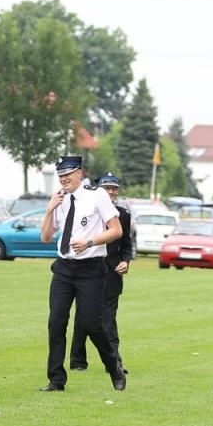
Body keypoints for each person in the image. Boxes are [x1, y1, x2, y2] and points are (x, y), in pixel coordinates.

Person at [38, 155, 126, 392]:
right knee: (56, 322)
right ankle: (56, 379)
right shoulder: (60, 200)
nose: (63, 179)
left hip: (91, 269)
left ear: (79, 173)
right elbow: (46, 237)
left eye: (67, 174)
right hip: (64, 269)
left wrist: (90, 241)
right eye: (60, 175)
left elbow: (116, 230)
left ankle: (114, 367)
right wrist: (49, 211)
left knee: (91, 324)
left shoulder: (96, 194)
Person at [71, 172, 136, 374]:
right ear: (98, 190)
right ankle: (77, 359)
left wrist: (125, 261)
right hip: (87, 270)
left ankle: (114, 362)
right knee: (83, 316)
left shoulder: (122, 215)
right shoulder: (87, 211)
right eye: (107, 188)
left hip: (111, 273)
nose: (111, 192)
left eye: (114, 188)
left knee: (108, 318)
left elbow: (126, 245)